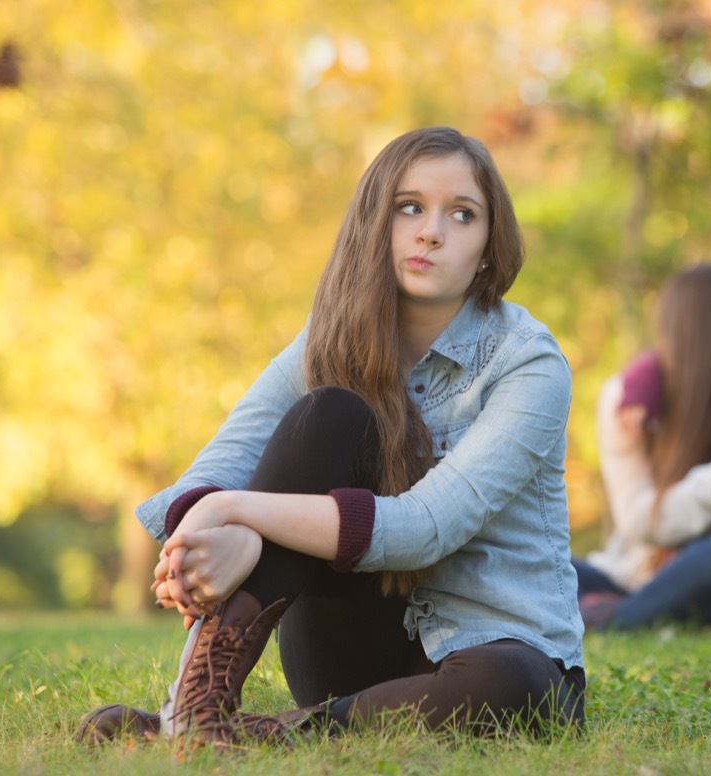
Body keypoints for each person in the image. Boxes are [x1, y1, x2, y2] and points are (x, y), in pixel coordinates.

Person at [76, 127, 585, 747]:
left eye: (463, 214)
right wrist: (205, 537)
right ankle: (197, 706)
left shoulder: (527, 364)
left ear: (486, 247)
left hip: (495, 653)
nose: (432, 231)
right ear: (378, 222)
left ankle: (281, 732)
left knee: (517, 686)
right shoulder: (330, 338)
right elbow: (221, 463)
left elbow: (429, 527)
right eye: (410, 207)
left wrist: (236, 513)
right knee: (330, 414)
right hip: (348, 644)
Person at [571, 262, 711, 631]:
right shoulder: (628, 401)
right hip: (630, 579)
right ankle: (632, 612)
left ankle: (612, 623)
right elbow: (640, 521)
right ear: (695, 325)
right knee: (528, 560)